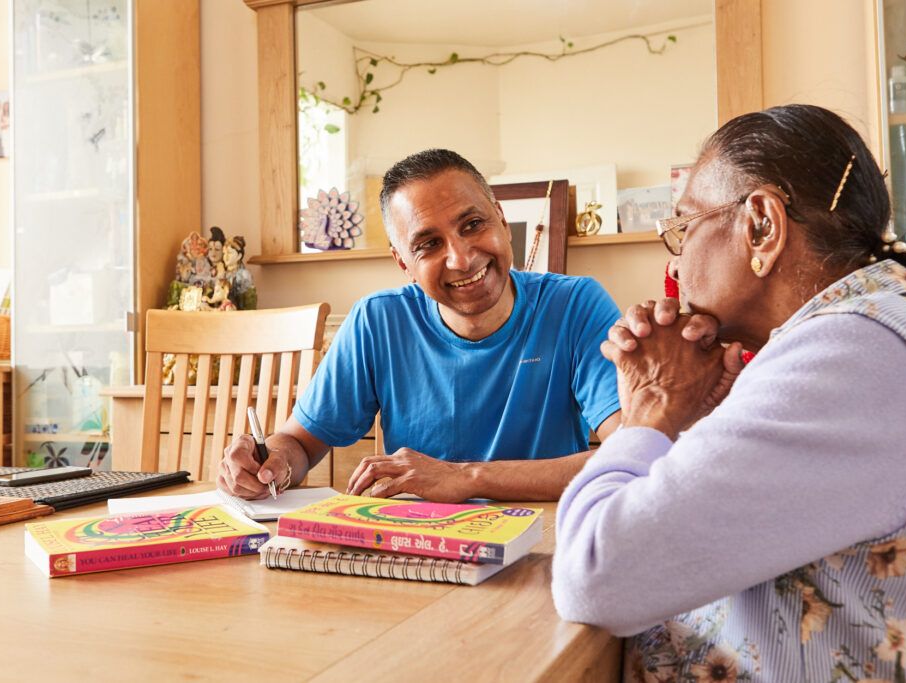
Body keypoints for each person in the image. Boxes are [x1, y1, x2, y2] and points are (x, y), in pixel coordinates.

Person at [551, 104, 906, 682]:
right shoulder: (873, 326)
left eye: (685, 227)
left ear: (761, 223)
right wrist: (705, 417)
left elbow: (595, 577)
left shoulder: (851, 354)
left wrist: (651, 410)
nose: (678, 260)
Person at [220, 149, 638, 503]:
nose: (461, 258)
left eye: (473, 225)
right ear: (403, 262)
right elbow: (298, 443)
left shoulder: (576, 305)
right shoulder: (377, 321)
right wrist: (270, 463)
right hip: (417, 551)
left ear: (500, 217)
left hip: (543, 546)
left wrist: (465, 478)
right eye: (428, 244)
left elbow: (629, 454)